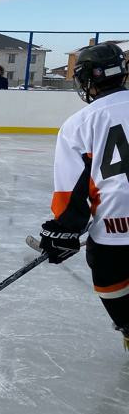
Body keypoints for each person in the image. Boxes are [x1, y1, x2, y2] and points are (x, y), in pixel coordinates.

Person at [38, 43, 129, 350]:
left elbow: (70, 190)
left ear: (87, 79)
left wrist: (64, 230)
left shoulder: (80, 123)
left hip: (119, 229)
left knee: (107, 273)